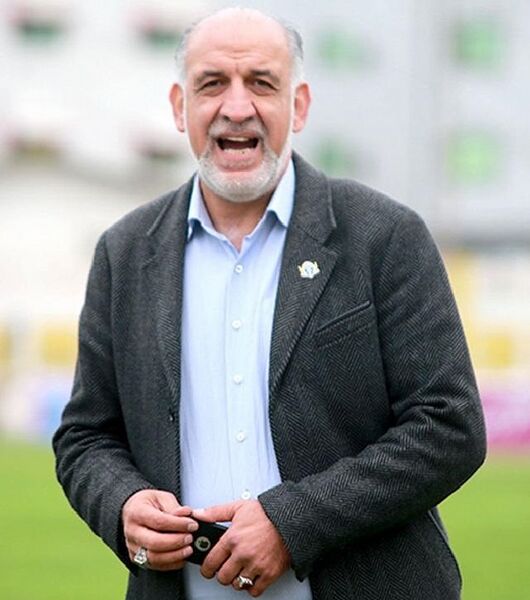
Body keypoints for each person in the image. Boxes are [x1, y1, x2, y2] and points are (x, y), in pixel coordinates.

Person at [53, 7, 486, 600]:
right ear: (180, 107)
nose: (237, 107)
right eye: (212, 83)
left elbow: (449, 426)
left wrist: (294, 522)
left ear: (298, 105)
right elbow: (86, 436)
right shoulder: (124, 253)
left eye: (261, 82)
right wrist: (122, 504)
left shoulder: (383, 236)